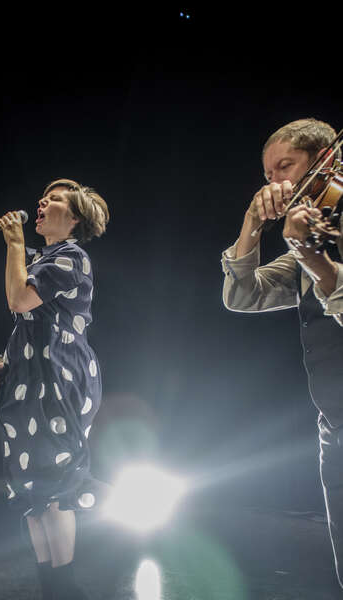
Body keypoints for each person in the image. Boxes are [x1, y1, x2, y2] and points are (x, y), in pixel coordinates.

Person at [221, 118, 343, 589]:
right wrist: (253, 223)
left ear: (326, 161)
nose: (277, 182)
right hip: (333, 421)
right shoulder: (306, 238)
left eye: (286, 167)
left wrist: (314, 257)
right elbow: (241, 294)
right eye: (269, 173)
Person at [0, 178, 109, 600]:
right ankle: (49, 588)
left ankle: (66, 588)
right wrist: (6, 362)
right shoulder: (44, 257)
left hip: (59, 376)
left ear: (73, 218)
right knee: (32, 492)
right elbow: (27, 321)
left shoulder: (71, 256)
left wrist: (14, 243)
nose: (41, 201)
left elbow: (19, 300)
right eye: (43, 195)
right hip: (28, 379)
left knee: (56, 486)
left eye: (54, 199)